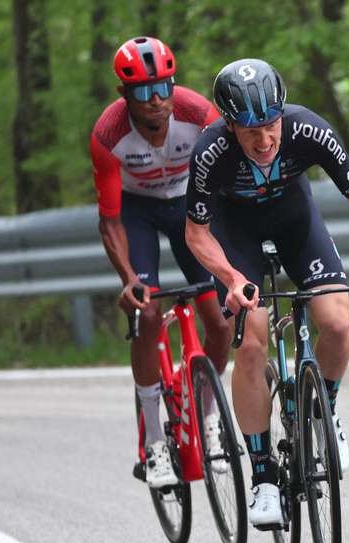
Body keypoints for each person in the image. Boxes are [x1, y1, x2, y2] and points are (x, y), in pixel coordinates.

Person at [185, 58, 349, 527]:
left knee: (337, 323)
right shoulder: (210, 152)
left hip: (296, 222)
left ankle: (325, 412)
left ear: (283, 114)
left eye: (271, 124)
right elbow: (196, 234)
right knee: (253, 338)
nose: (264, 140)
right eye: (249, 129)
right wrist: (232, 279)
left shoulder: (309, 130)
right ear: (228, 124)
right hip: (234, 234)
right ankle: (262, 476)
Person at [91, 36, 231, 489]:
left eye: (164, 87)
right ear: (123, 96)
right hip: (138, 213)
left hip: (190, 208)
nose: (157, 100)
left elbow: (227, 183)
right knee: (148, 313)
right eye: (143, 92)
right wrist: (129, 279)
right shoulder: (108, 136)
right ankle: (153, 443)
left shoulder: (198, 115)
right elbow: (110, 221)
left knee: (222, 323)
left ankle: (210, 419)